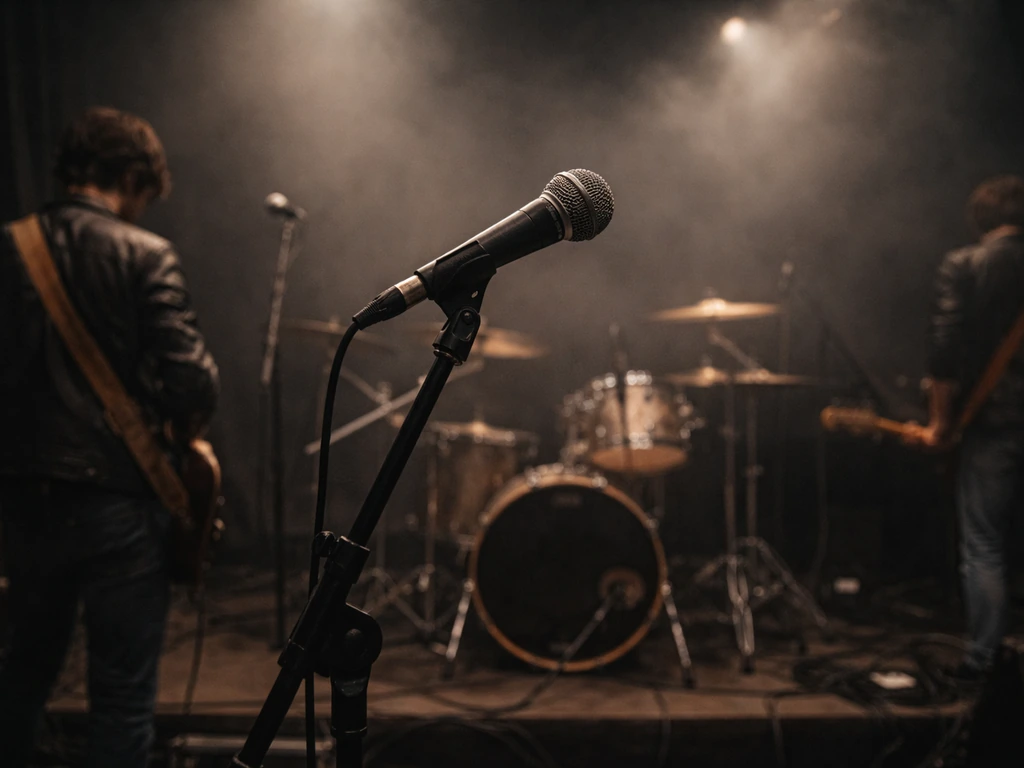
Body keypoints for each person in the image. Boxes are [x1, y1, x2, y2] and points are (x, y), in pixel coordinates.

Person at [0, 107, 219, 767]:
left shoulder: (7, 247)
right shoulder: (142, 254)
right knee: (121, 696)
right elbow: (193, 385)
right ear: (131, 176)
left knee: (22, 674)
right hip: (118, 502)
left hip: (21, 498)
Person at [913, 175, 1024, 680]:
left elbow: (944, 351)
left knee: (984, 543)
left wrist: (940, 421)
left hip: (995, 420)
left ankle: (984, 661)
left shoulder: (965, 265)